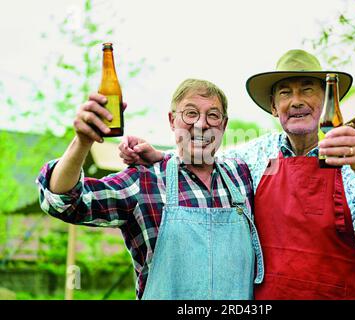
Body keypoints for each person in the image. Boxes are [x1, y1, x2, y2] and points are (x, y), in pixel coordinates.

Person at [118, 50, 355, 300]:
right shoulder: (250, 158)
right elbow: (204, 169)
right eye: (285, 93)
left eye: (307, 89)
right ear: (273, 106)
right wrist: (163, 158)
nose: (295, 100)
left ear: (326, 100)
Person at [36, 78, 264, 300]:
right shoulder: (144, 182)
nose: (201, 124)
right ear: (172, 120)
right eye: (191, 113)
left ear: (224, 125)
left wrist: (164, 156)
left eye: (213, 116)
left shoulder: (242, 175)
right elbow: (64, 202)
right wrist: (82, 142)